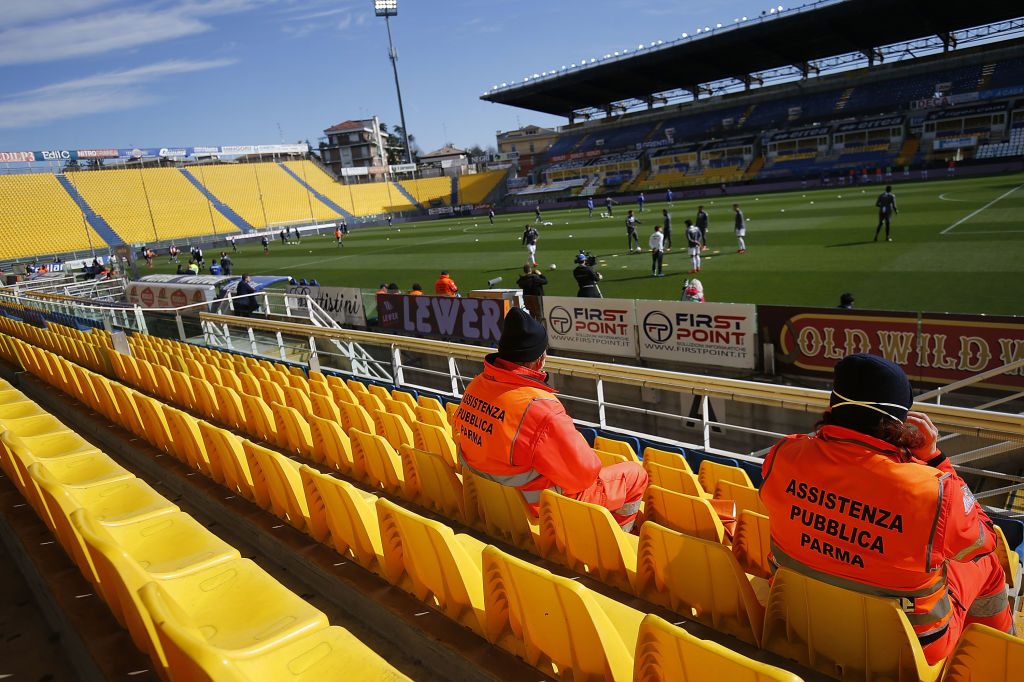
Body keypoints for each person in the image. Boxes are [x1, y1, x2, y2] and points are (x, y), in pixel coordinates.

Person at [759, 354, 1013, 664]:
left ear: (832, 407)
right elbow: (984, 538)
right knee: (988, 564)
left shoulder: (784, 453)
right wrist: (934, 459)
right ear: (901, 424)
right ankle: (1002, 661)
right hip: (906, 647)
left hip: (797, 618)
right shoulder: (934, 487)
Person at [452, 308, 648, 530]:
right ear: (540, 360)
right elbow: (584, 476)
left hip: (493, 500)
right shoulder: (541, 408)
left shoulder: (476, 385)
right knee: (636, 475)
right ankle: (620, 541)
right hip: (539, 508)